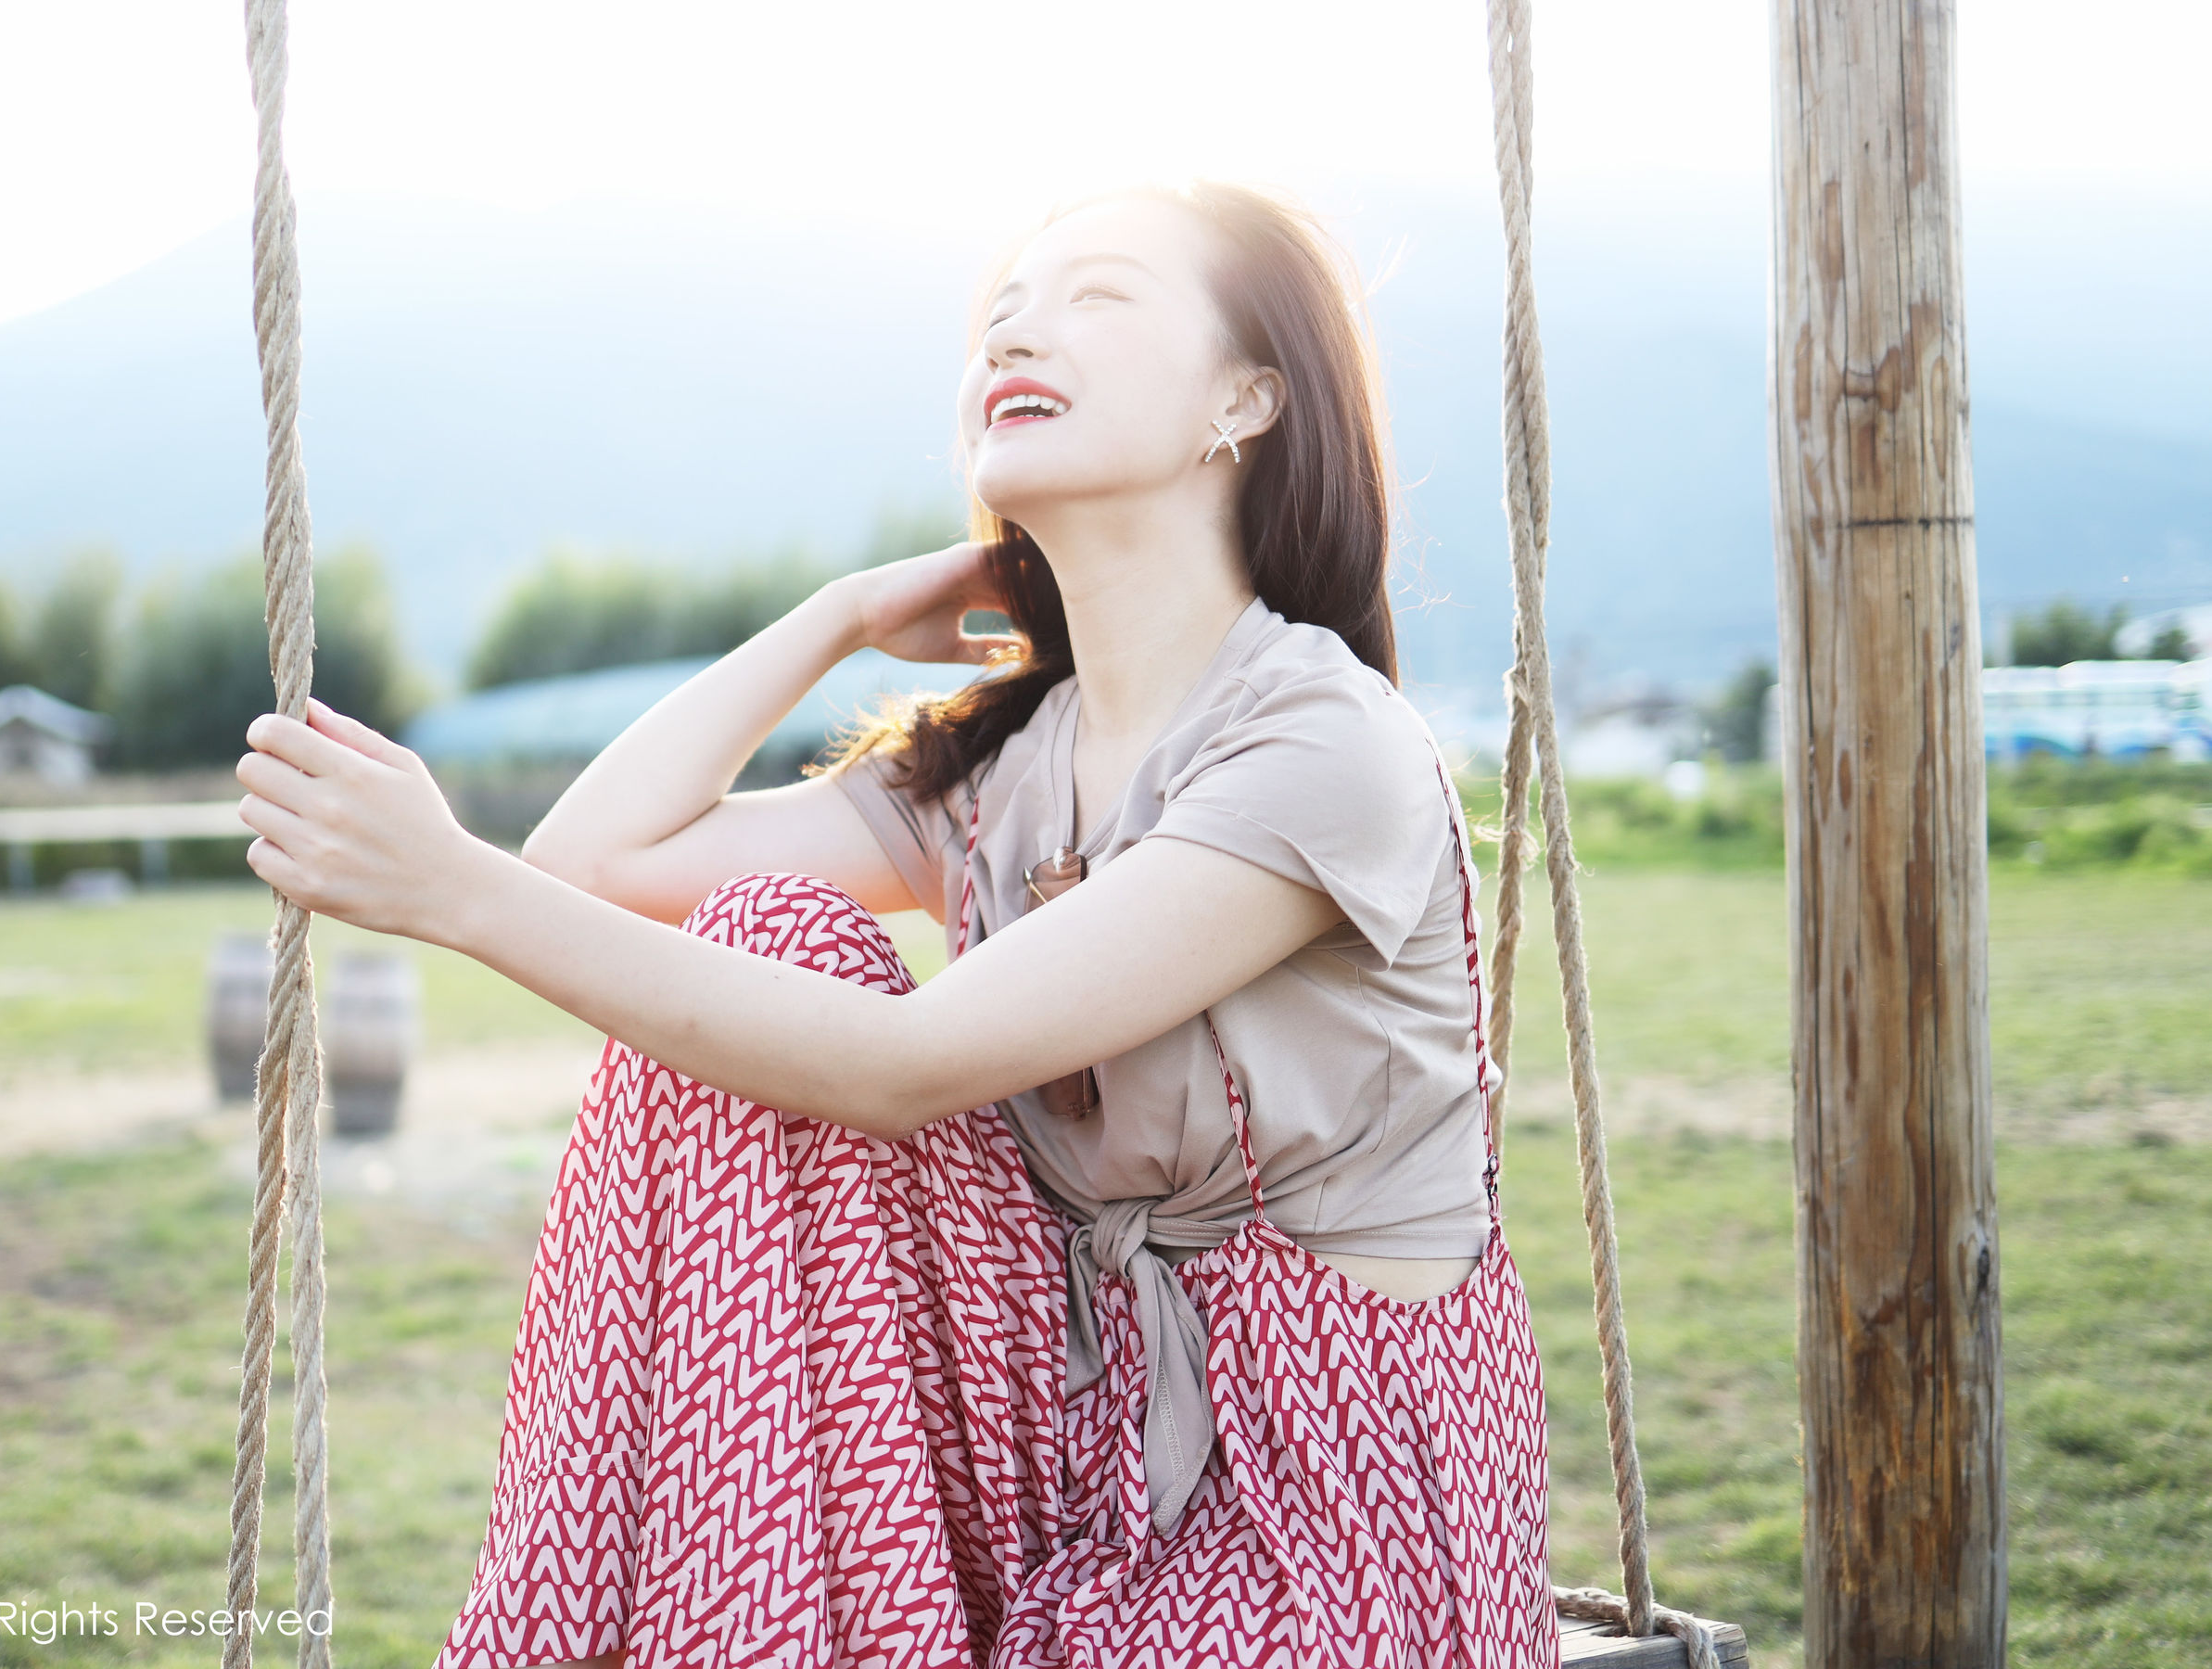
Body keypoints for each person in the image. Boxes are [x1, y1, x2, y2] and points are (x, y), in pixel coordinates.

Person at [233, 180, 1557, 1669]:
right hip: (1066, 1430)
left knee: (808, 996)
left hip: (1332, 1490)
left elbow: (901, 1065)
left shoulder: (1323, 741)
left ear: (1245, 401)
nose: (1020, 331)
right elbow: (594, 859)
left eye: (1098, 297)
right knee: (773, 933)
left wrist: (456, 894)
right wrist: (843, 615)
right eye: (1002, 311)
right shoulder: (1003, 768)